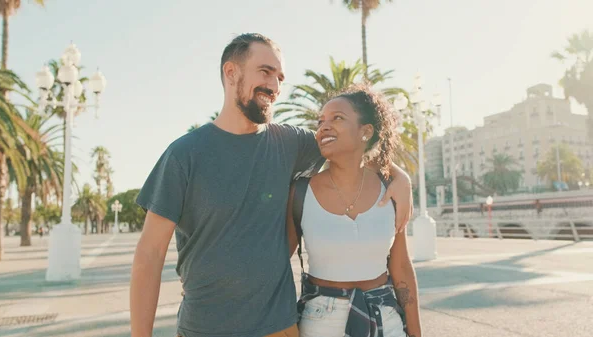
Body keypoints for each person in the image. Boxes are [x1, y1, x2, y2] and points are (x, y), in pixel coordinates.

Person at [129, 33, 413, 337]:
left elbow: (349, 146)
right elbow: (150, 255)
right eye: (265, 72)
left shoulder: (290, 142)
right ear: (231, 72)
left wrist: (399, 175)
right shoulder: (183, 154)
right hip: (204, 328)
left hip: (280, 327)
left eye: (280, 77)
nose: (275, 86)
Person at [287, 84, 421, 337]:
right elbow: (280, 265)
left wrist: (415, 332)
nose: (324, 126)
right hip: (319, 322)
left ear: (365, 131)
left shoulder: (390, 188)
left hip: (386, 318)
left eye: (337, 118)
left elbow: (401, 267)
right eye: (320, 121)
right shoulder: (301, 192)